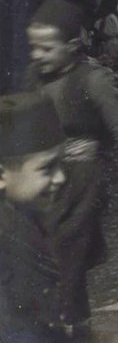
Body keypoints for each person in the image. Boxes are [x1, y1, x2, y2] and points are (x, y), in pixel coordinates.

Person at [24, 0, 118, 334]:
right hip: (42, 177)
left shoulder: (92, 81)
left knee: (68, 249)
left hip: (82, 180)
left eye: (47, 49)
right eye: (34, 48)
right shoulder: (33, 78)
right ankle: (76, 322)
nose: (38, 56)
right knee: (42, 250)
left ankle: (65, 324)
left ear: (72, 46)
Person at [0, 92, 69, 341]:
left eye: (62, 164)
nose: (61, 177)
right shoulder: (7, 241)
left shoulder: (21, 219)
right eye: (47, 168)